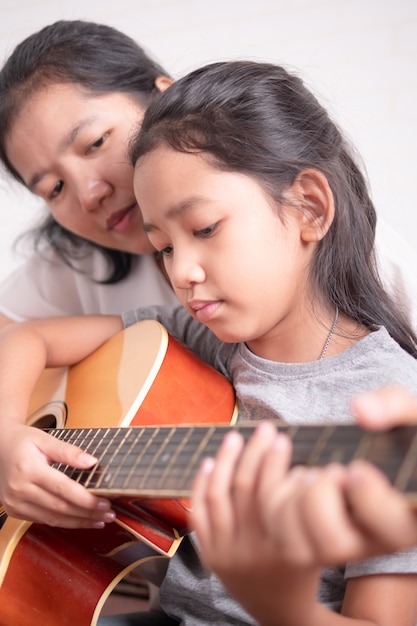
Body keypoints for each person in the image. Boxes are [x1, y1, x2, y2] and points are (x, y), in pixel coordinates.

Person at [1, 60, 417, 625]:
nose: (183, 272)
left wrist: (281, 605)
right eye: (165, 247)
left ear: (309, 208)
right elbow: (28, 338)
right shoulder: (185, 340)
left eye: (203, 229)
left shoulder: (390, 410)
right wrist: (7, 435)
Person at [0, 19, 178, 330]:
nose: (88, 196)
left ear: (165, 98)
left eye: (95, 143)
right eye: (54, 188)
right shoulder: (79, 262)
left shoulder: (274, 203)